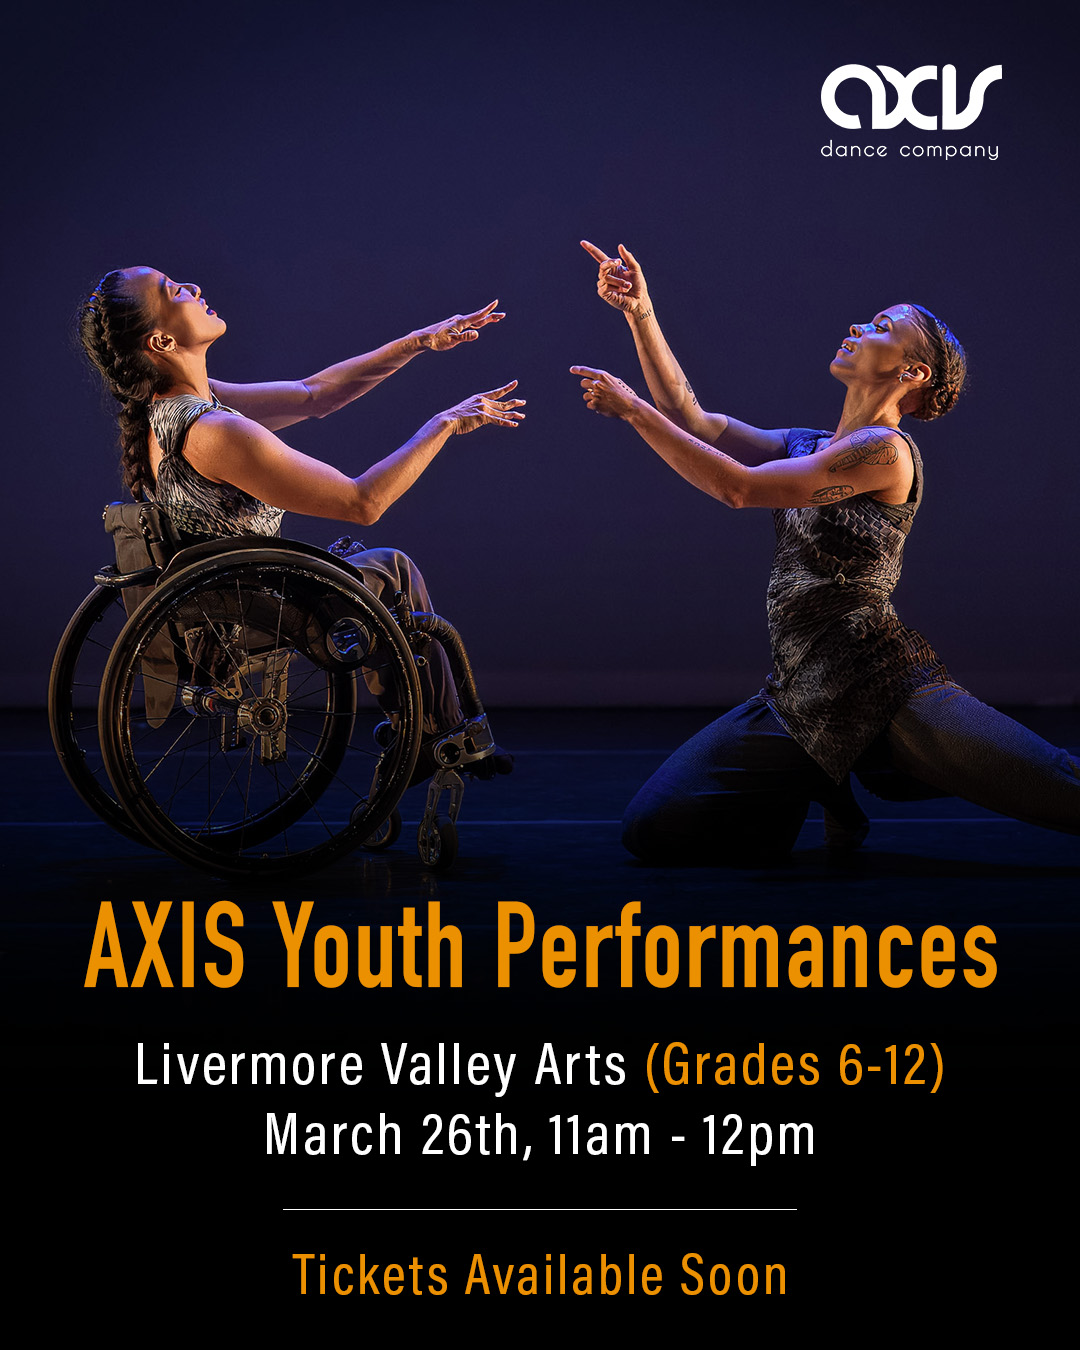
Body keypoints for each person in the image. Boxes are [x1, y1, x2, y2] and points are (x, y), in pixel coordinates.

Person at [572, 240, 1079, 862]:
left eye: (881, 327)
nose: (858, 327)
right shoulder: (810, 444)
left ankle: (845, 769)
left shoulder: (885, 453)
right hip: (798, 690)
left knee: (1063, 789)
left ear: (912, 373)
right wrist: (640, 312)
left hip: (876, 682)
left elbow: (737, 488)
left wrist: (633, 413)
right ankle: (817, 776)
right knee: (653, 827)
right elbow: (693, 419)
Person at [78, 265, 523, 756]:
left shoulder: (176, 407)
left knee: (368, 569)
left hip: (226, 602)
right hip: (245, 613)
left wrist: (418, 342)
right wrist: (443, 424)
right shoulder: (213, 432)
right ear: (161, 342)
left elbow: (316, 395)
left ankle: (420, 733)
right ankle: (438, 738)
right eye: (173, 291)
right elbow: (363, 501)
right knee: (392, 568)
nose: (194, 287)